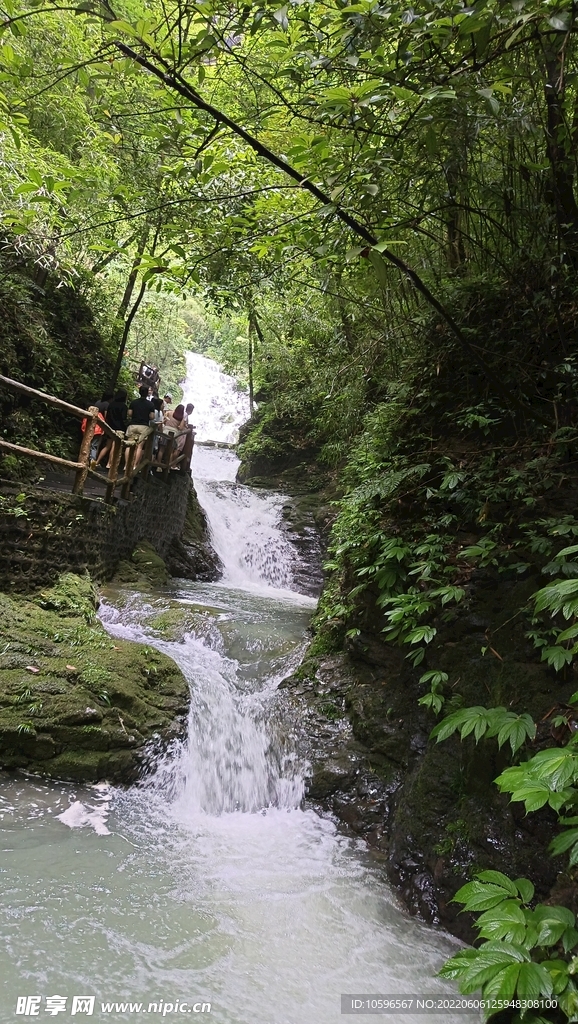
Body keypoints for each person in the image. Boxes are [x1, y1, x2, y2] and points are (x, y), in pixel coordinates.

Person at [91, 389, 128, 471]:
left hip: (110, 427)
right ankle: (110, 464)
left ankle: (97, 461)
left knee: (107, 446)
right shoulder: (124, 406)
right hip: (119, 428)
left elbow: (107, 416)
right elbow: (123, 418)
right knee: (115, 447)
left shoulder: (111, 404)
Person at [126, 385, 154, 467]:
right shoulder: (150, 404)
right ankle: (134, 466)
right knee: (139, 447)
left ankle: (126, 465)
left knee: (129, 445)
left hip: (133, 425)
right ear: (147, 394)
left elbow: (129, 413)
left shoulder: (134, 402)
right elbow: (152, 417)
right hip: (144, 426)